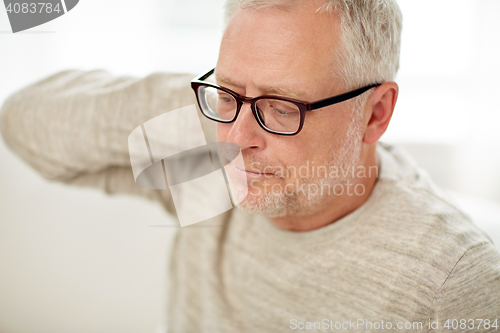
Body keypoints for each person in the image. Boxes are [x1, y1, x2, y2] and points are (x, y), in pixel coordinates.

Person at [1, 0, 499, 332]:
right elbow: (24, 123)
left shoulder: (453, 284)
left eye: (283, 106)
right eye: (227, 93)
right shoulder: (212, 167)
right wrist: (216, 103)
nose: (237, 141)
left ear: (375, 113)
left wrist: (238, 96)